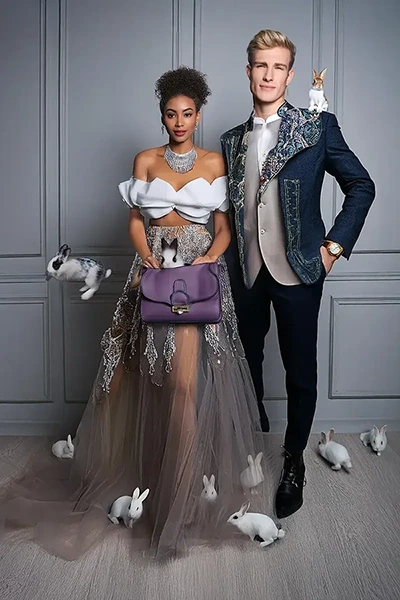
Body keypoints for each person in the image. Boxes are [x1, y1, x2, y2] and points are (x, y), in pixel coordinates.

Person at [0, 67, 262, 561]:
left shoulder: (214, 162)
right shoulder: (144, 159)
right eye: (171, 113)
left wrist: (208, 257)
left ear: (199, 115)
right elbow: (135, 222)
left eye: (188, 113)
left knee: (186, 385)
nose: (179, 121)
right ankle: (130, 474)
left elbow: (224, 227)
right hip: (153, 270)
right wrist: (148, 258)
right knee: (126, 376)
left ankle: (180, 501)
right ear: (162, 116)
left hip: (197, 275)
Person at [221, 30, 375, 519]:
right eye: (260, 66)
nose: (268, 75)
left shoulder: (317, 127)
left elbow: (361, 185)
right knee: (245, 366)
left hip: (300, 270)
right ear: (248, 71)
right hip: (246, 273)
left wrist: (332, 249)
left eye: (278, 67)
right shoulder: (230, 141)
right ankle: (252, 442)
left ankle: (293, 461)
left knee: (300, 372)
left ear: (289, 75)